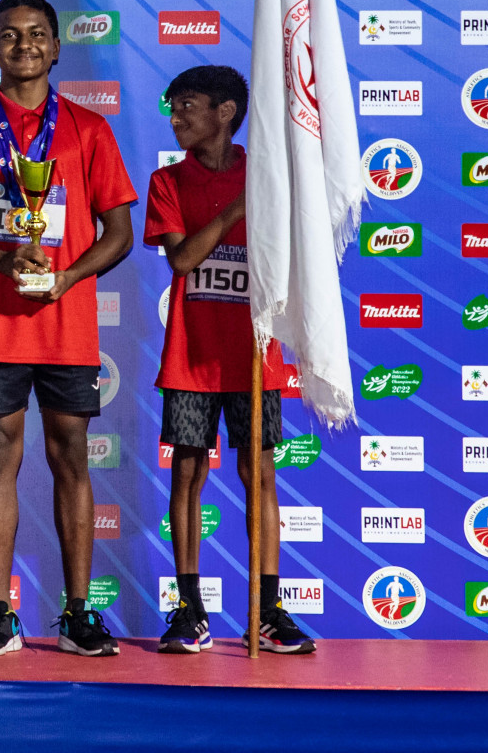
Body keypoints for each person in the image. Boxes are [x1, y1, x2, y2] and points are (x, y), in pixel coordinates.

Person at [0, 0, 134, 657]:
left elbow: (119, 232)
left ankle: (77, 612)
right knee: (0, 460)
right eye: (9, 36)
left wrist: (67, 277)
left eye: (37, 34)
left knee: (71, 456)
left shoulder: (89, 131)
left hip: (66, 324)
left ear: (57, 47)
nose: (24, 46)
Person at [144, 64, 315, 655]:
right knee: (188, 476)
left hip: (255, 358)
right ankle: (189, 609)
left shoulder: (267, 176)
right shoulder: (168, 182)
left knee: (260, 475)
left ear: (225, 112)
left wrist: (261, 197)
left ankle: (268, 609)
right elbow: (183, 260)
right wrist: (233, 213)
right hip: (191, 357)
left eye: (186, 105)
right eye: (174, 107)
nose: (175, 117)